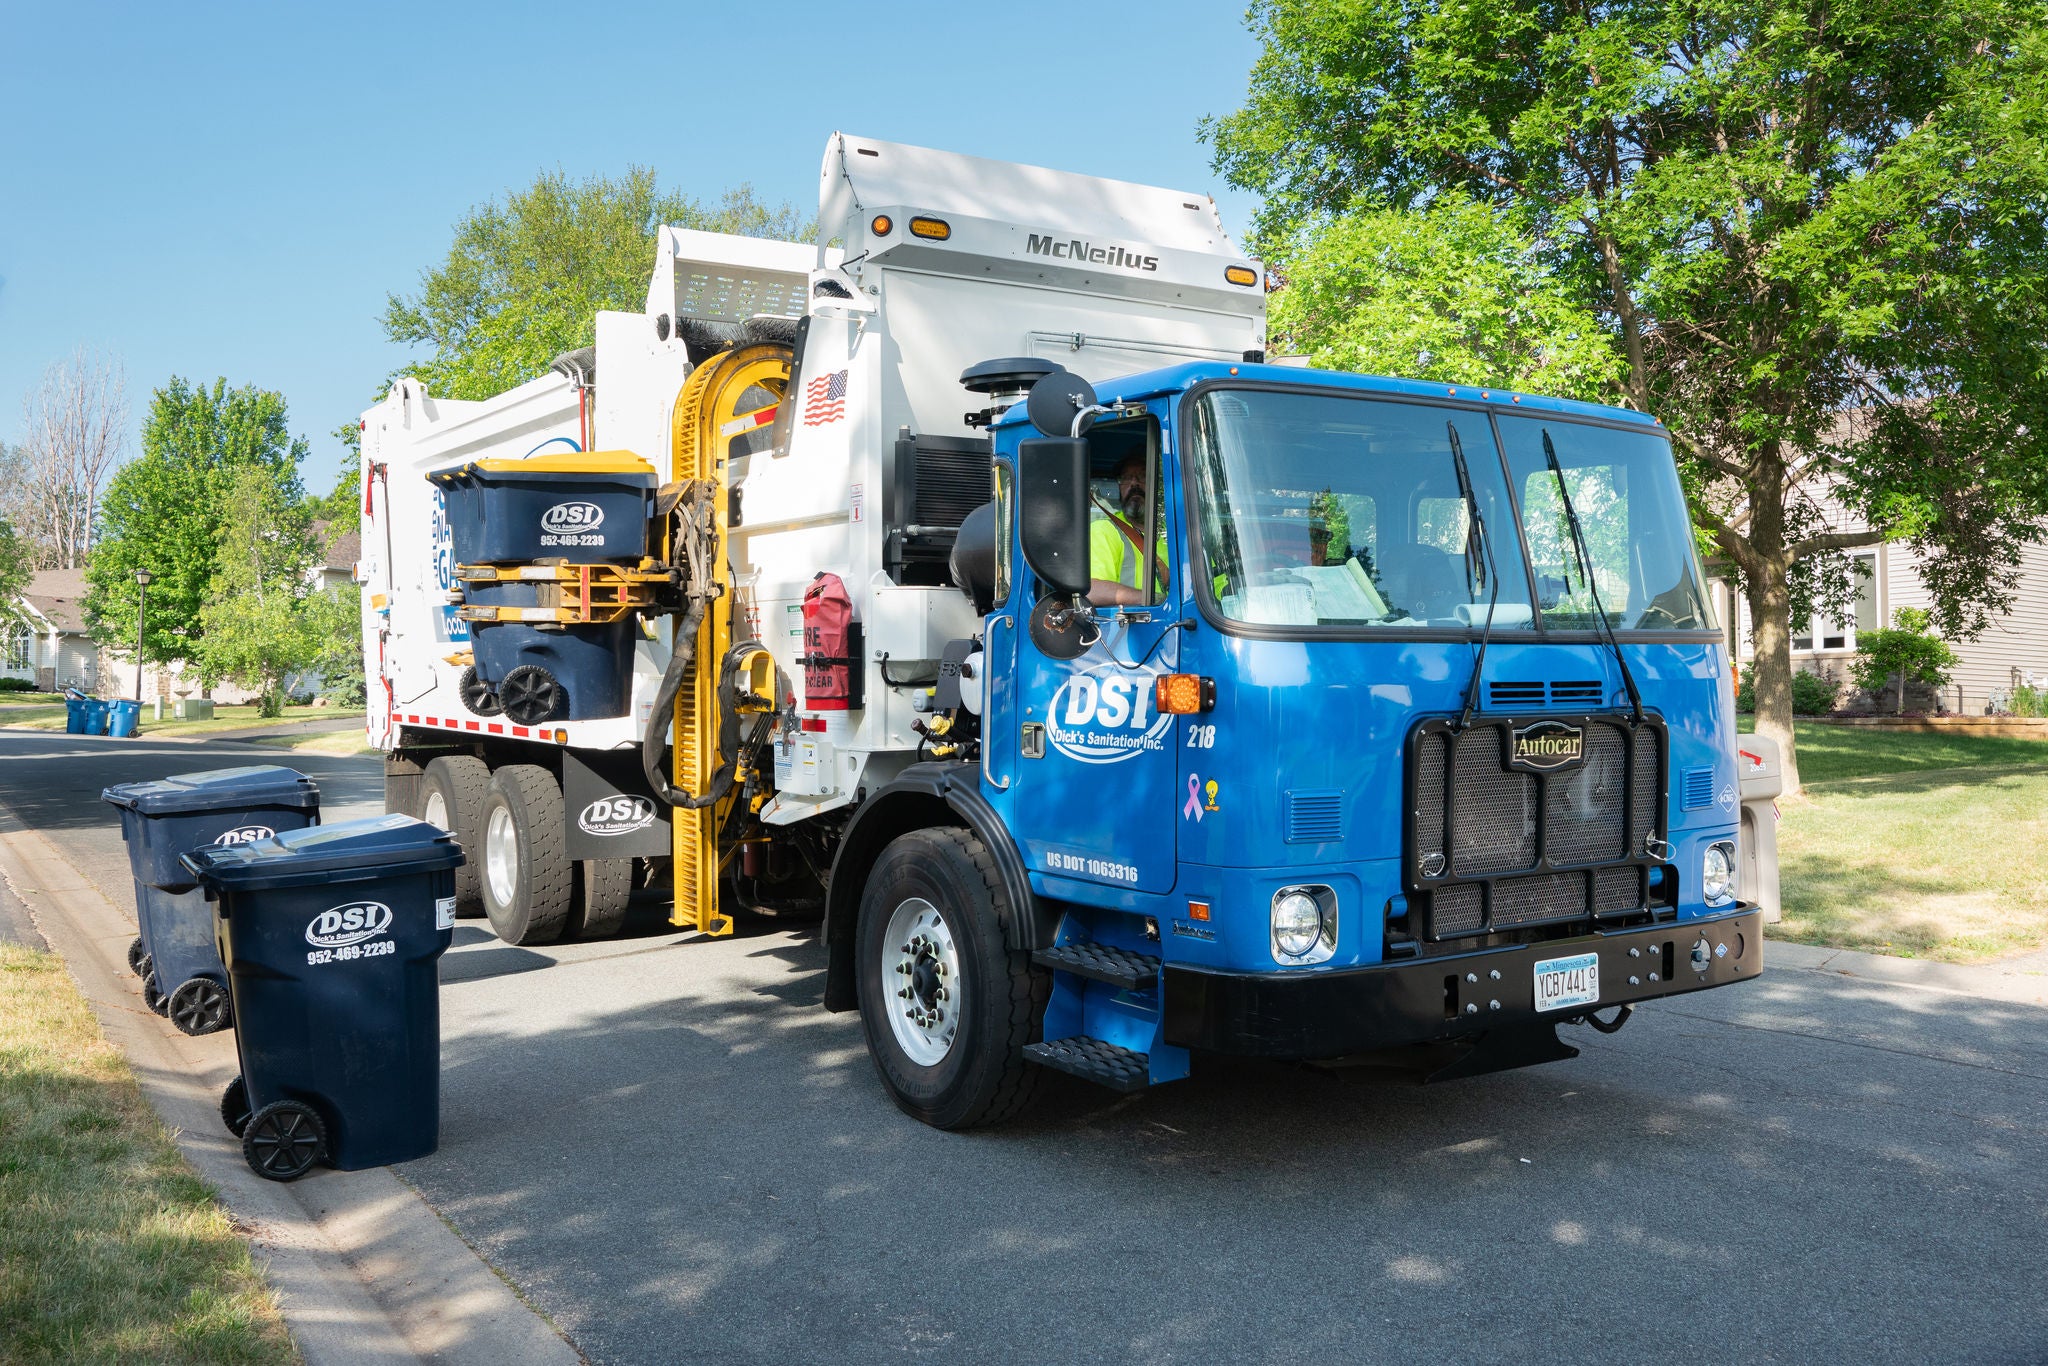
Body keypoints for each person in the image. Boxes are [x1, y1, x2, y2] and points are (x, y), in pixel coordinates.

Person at [1088, 453, 1168, 606]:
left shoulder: (1176, 534)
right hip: (1127, 627)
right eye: (1125, 478)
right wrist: (1156, 601)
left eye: (1143, 476)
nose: (1134, 484)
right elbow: (1092, 590)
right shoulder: (1104, 531)